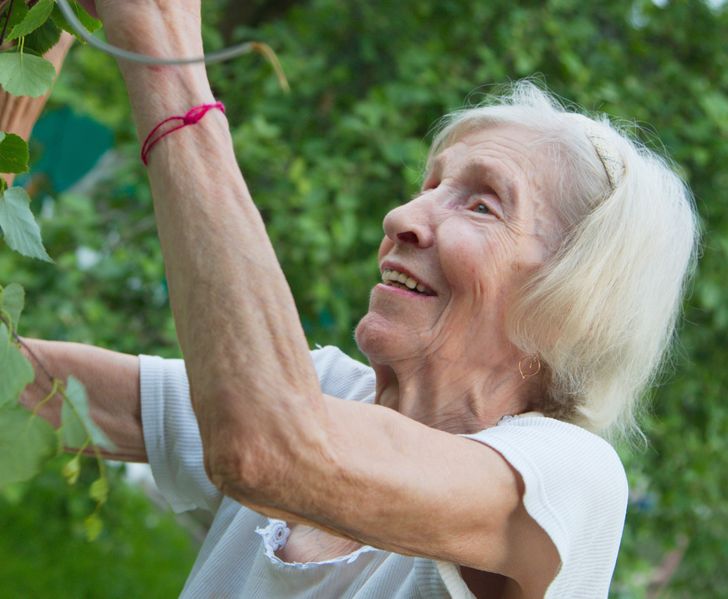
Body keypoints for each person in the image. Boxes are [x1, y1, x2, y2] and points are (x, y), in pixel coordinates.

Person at [18, 1, 699, 597]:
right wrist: (37, 34)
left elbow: (266, 447)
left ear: (572, 299)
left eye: (482, 204)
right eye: (429, 184)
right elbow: (16, 385)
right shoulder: (322, 391)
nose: (403, 215)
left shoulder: (569, 482)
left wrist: (161, 40)